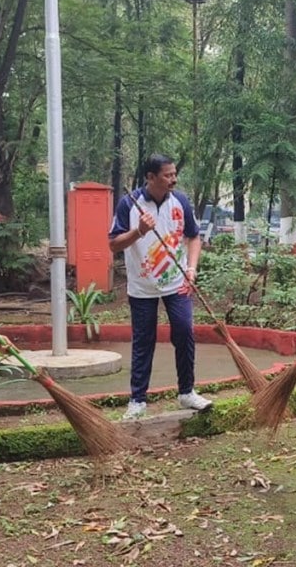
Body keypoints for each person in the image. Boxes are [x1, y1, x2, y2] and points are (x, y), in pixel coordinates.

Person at [109, 154, 212, 420]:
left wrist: (191, 268)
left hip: (176, 282)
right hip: (142, 287)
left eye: (174, 174)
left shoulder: (181, 201)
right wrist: (139, 231)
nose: (173, 179)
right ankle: (137, 400)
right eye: (167, 175)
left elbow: (193, 236)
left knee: (184, 333)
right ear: (151, 177)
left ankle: (187, 392)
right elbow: (113, 244)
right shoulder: (128, 204)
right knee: (144, 341)